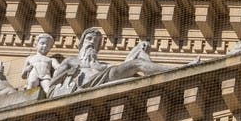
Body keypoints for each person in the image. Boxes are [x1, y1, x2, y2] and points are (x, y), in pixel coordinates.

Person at [47, 28, 195, 98]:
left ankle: (175, 72)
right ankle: (180, 71)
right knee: (137, 64)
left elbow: (120, 69)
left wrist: (137, 49)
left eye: (96, 41)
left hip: (104, 76)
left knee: (139, 60)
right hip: (86, 84)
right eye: (89, 39)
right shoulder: (71, 61)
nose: (92, 43)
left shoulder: (102, 64)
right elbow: (52, 87)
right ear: (81, 43)